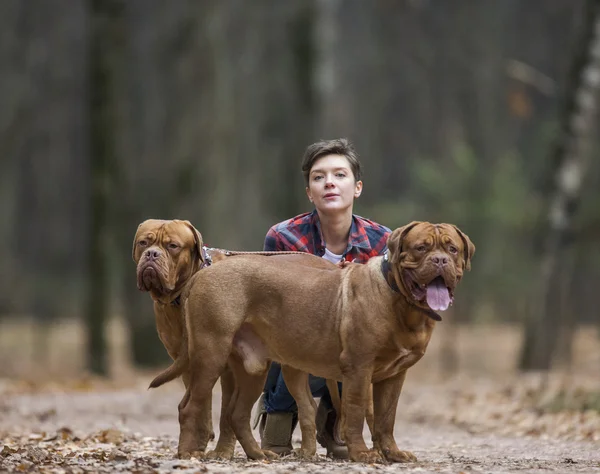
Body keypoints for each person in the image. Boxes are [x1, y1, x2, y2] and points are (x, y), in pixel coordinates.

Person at [253, 138, 391, 458]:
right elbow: (272, 309)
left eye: (339, 175)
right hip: (294, 340)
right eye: (319, 177)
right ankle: (278, 413)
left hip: (352, 344)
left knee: (359, 341)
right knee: (279, 334)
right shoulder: (282, 236)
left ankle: (335, 420)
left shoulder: (383, 240)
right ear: (309, 192)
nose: (329, 182)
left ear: (357, 188)